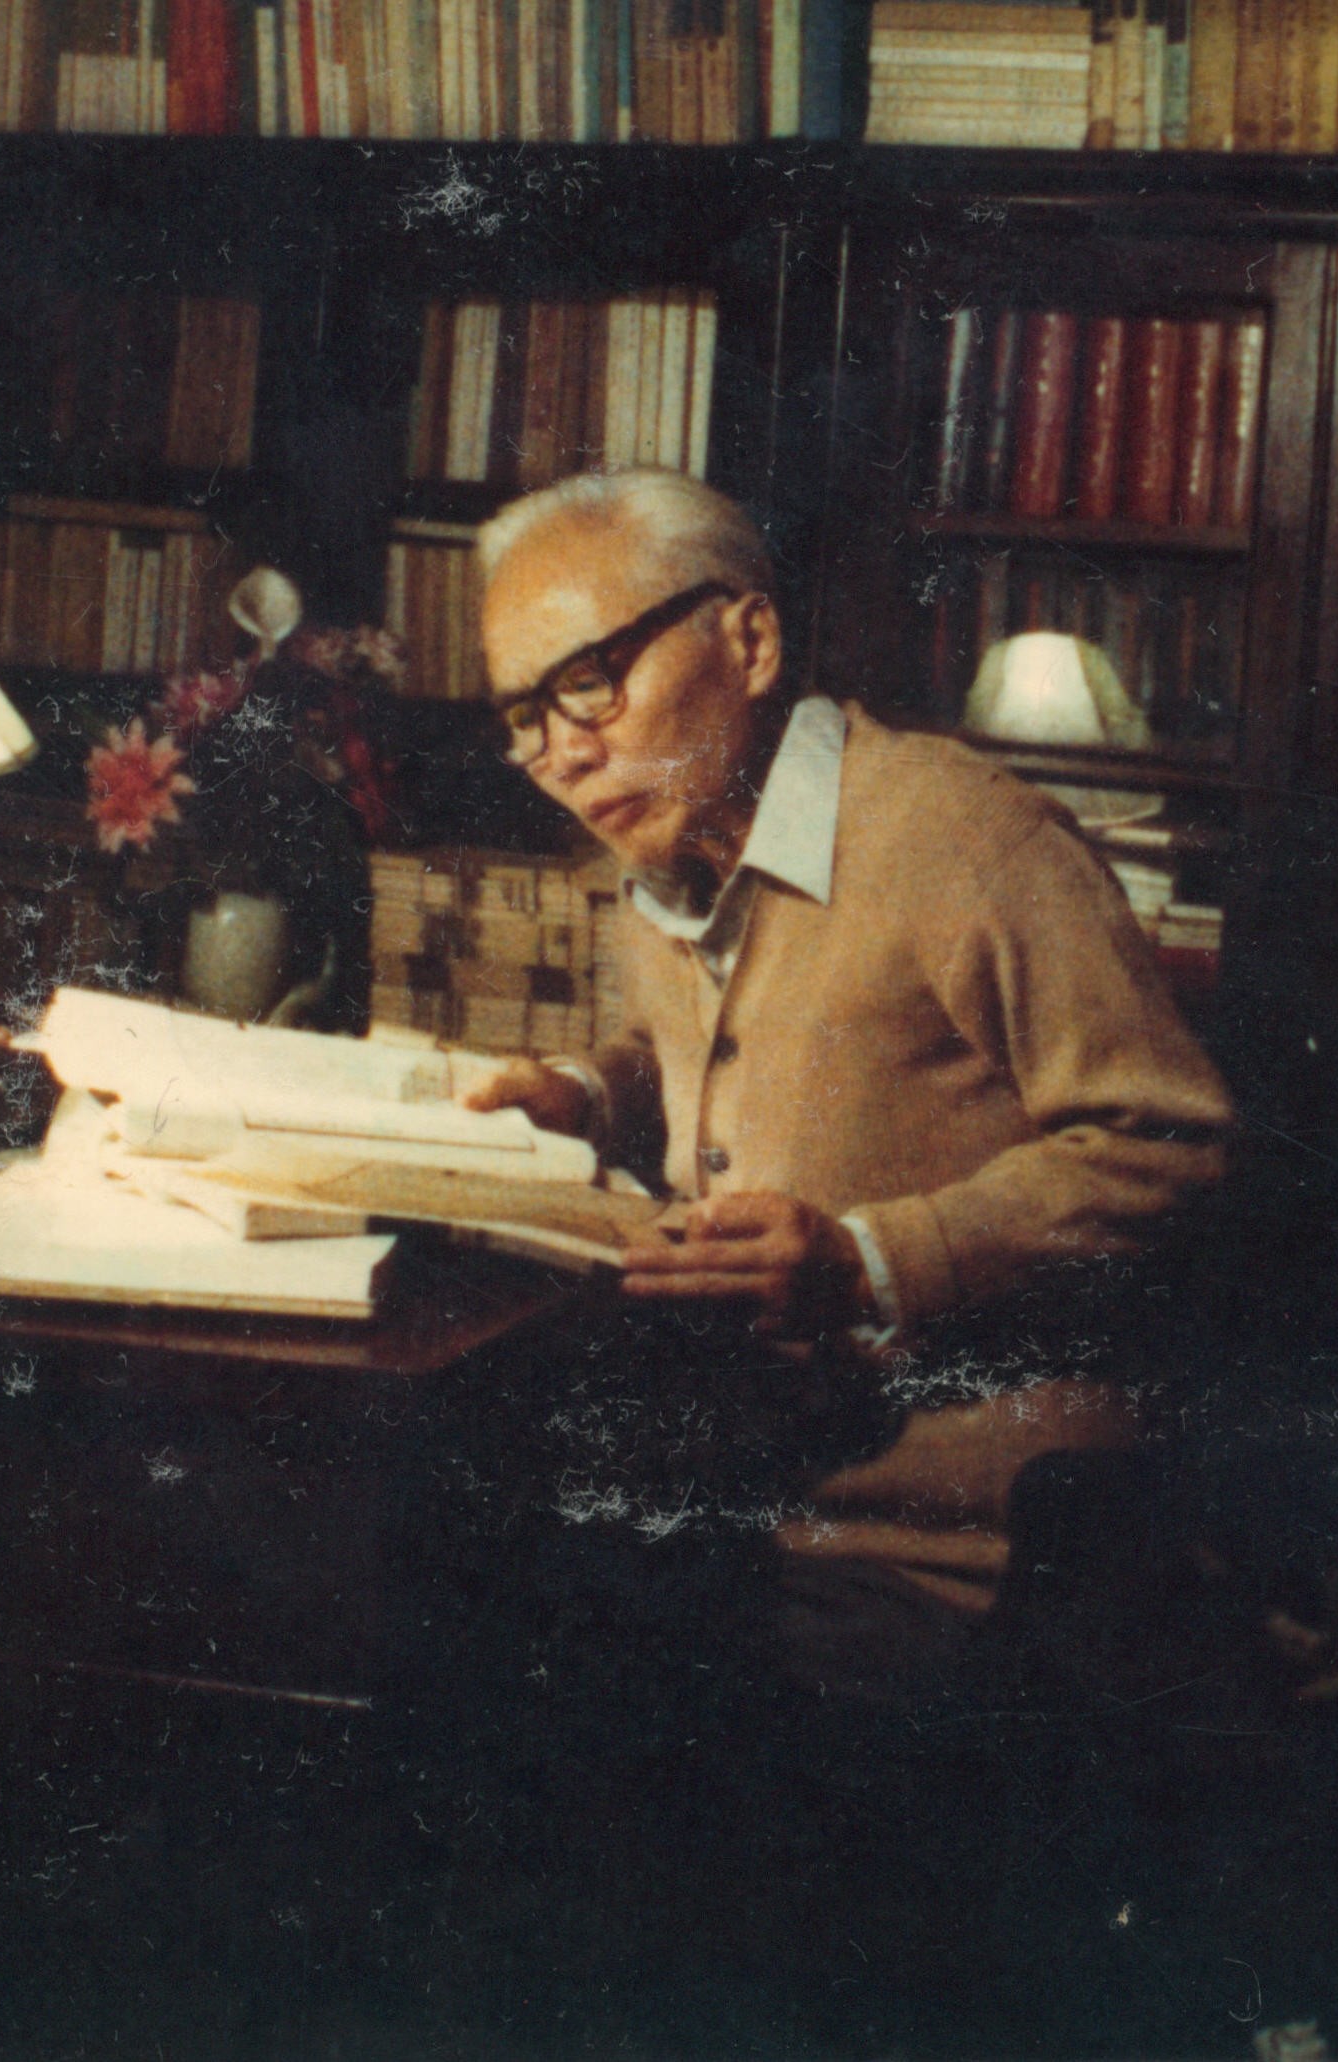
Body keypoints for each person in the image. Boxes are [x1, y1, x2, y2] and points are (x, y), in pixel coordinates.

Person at [462, 467, 1236, 1647]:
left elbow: (1172, 1146)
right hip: (740, 1501)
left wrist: (870, 1262)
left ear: (748, 642)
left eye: (588, 682)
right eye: (525, 714)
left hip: (969, 1553)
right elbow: (744, 1036)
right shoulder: (670, 847)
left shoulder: (964, 839)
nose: (561, 753)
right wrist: (587, 1092)